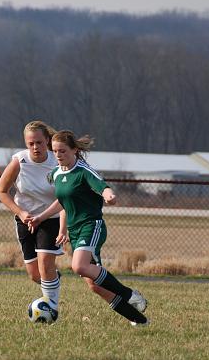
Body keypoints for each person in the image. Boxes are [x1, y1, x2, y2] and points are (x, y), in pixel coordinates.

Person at [30, 130, 148, 326]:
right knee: (94, 285)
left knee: (79, 266)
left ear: (75, 150)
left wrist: (108, 195)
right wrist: (52, 224)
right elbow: (64, 202)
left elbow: (102, 186)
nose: (58, 155)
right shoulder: (56, 174)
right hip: (75, 231)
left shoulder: (83, 170)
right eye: (55, 151)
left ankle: (130, 295)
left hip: (91, 225)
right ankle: (139, 319)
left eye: (63, 151)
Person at [0, 121, 65, 310]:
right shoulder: (19, 161)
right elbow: (1, 191)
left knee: (44, 263)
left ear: (47, 141)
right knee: (35, 274)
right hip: (25, 220)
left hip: (50, 219)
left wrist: (44, 216)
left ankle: (51, 307)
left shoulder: (57, 162)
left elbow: (64, 196)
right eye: (31, 143)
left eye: (39, 143)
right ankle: (53, 280)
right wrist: (21, 212)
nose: (35, 147)